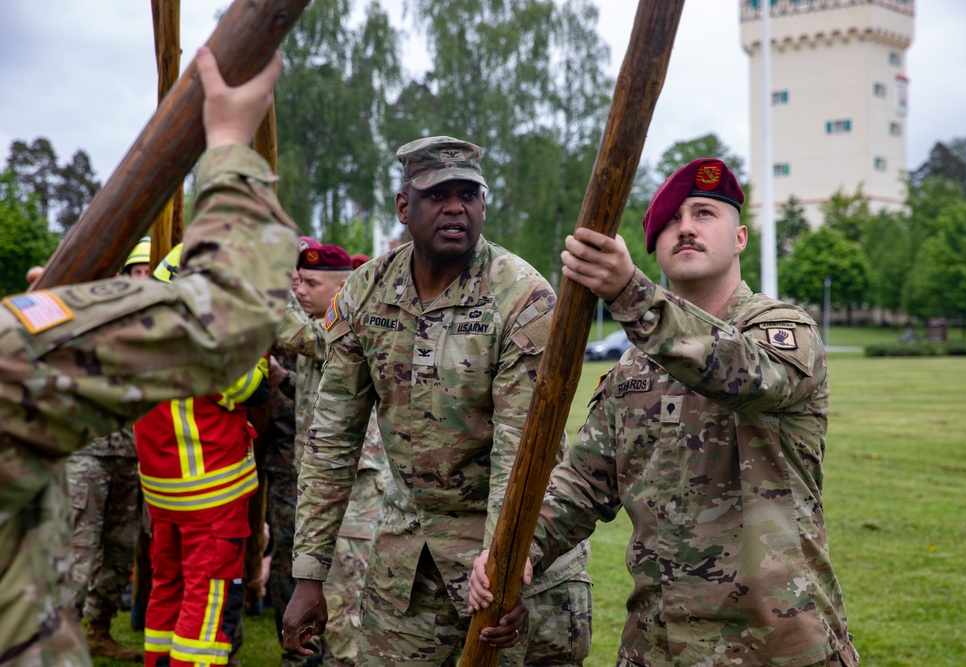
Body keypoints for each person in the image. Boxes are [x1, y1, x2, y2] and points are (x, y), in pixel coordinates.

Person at [469, 158, 859, 667]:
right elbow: (580, 485)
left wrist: (630, 295)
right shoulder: (633, 370)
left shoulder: (783, 332)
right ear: (654, 247)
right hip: (658, 647)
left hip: (776, 645)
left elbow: (746, 375)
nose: (687, 228)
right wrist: (515, 552)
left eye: (704, 213)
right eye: (671, 221)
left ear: (740, 237)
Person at [0, 46, 296, 667]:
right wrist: (230, 149)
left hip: (164, 484)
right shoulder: (16, 356)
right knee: (205, 604)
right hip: (210, 479)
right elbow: (230, 340)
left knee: (167, 592)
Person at [282, 136, 592, 666]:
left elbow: (521, 454)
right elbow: (332, 437)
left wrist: (506, 570)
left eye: (468, 194)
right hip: (409, 569)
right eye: (437, 194)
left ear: (484, 206)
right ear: (404, 207)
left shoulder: (521, 296)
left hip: (511, 566)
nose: (455, 207)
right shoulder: (365, 293)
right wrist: (310, 575)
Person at [132, 241, 270, 667]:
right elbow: (255, 388)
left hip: (162, 493)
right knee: (205, 602)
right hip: (211, 496)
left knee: (166, 588)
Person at [269, 244, 389, 667]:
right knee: (316, 595)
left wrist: (268, 279)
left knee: (343, 606)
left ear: (343, 286)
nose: (301, 290)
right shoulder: (322, 325)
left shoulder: (345, 325)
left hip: (354, 491)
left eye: (311, 284)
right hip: (322, 484)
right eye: (297, 281)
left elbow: (296, 334)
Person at [63, 238, 152, 662]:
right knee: (79, 551)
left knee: (119, 552)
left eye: (149, 271)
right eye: (136, 271)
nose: (142, 278)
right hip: (88, 453)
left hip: (132, 457)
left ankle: (98, 631)